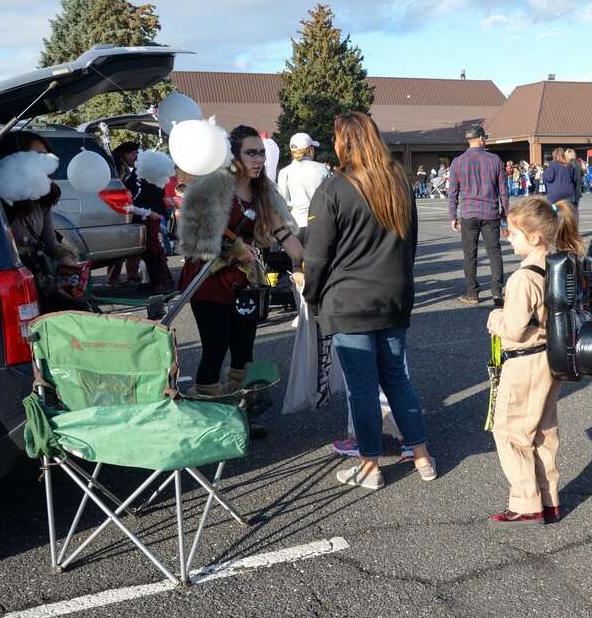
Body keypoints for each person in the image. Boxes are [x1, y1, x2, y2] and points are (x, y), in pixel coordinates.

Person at [303, 111, 435, 490]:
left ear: (344, 142)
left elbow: (317, 256)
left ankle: (370, 466)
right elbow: (409, 245)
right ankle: (422, 456)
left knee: (363, 386)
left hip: (350, 300)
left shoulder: (334, 188)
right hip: (393, 294)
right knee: (396, 379)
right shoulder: (398, 183)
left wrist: (312, 295)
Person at [177, 124, 301, 439]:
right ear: (234, 155)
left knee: (244, 349)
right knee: (215, 347)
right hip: (208, 279)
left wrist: (307, 260)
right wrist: (235, 248)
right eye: (250, 153)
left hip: (245, 283)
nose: (258, 160)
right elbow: (197, 239)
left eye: (260, 153)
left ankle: (240, 413)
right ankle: (208, 416)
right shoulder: (214, 187)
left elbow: (282, 232)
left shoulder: (263, 191)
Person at [486, 195, 581, 526]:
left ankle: (527, 504)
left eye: (512, 231)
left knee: (511, 431)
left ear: (534, 237)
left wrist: (493, 318)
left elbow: (512, 328)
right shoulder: (559, 266)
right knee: (542, 430)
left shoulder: (524, 278)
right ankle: (548, 498)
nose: (506, 236)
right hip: (551, 360)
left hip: (525, 362)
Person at [0, 132, 83, 313]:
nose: (47, 162)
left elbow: (49, 243)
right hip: (8, 290)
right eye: (38, 156)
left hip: (39, 285)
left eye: (47, 155)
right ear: (14, 158)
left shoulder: (42, 198)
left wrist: (66, 257)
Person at [447, 124, 509, 306]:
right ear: (481, 139)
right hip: (490, 212)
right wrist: (505, 213)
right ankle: (497, 292)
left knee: (469, 254)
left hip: (468, 212)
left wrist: (453, 216)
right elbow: (503, 191)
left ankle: (473, 293)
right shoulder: (495, 160)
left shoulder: (457, 162)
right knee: (494, 252)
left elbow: (453, 192)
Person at [125, 149, 176, 294]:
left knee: (153, 248)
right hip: (144, 214)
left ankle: (165, 280)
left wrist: (147, 212)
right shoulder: (139, 176)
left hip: (149, 215)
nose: (135, 157)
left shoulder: (148, 180)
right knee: (148, 250)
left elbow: (145, 196)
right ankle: (156, 280)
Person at [276, 132, 329, 252]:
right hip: (319, 226)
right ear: (309, 149)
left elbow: (283, 203)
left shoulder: (285, 172)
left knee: (297, 268)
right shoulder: (322, 169)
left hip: (296, 227)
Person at [106, 141, 142, 286]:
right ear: (124, 155)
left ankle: (131, 275)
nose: (136, 156)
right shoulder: (118, 167)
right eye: (133, 154)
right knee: (119, 244)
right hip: (118, 210)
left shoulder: (124, 167)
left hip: (124, 208)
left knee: (130, 244)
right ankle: (113, 278)